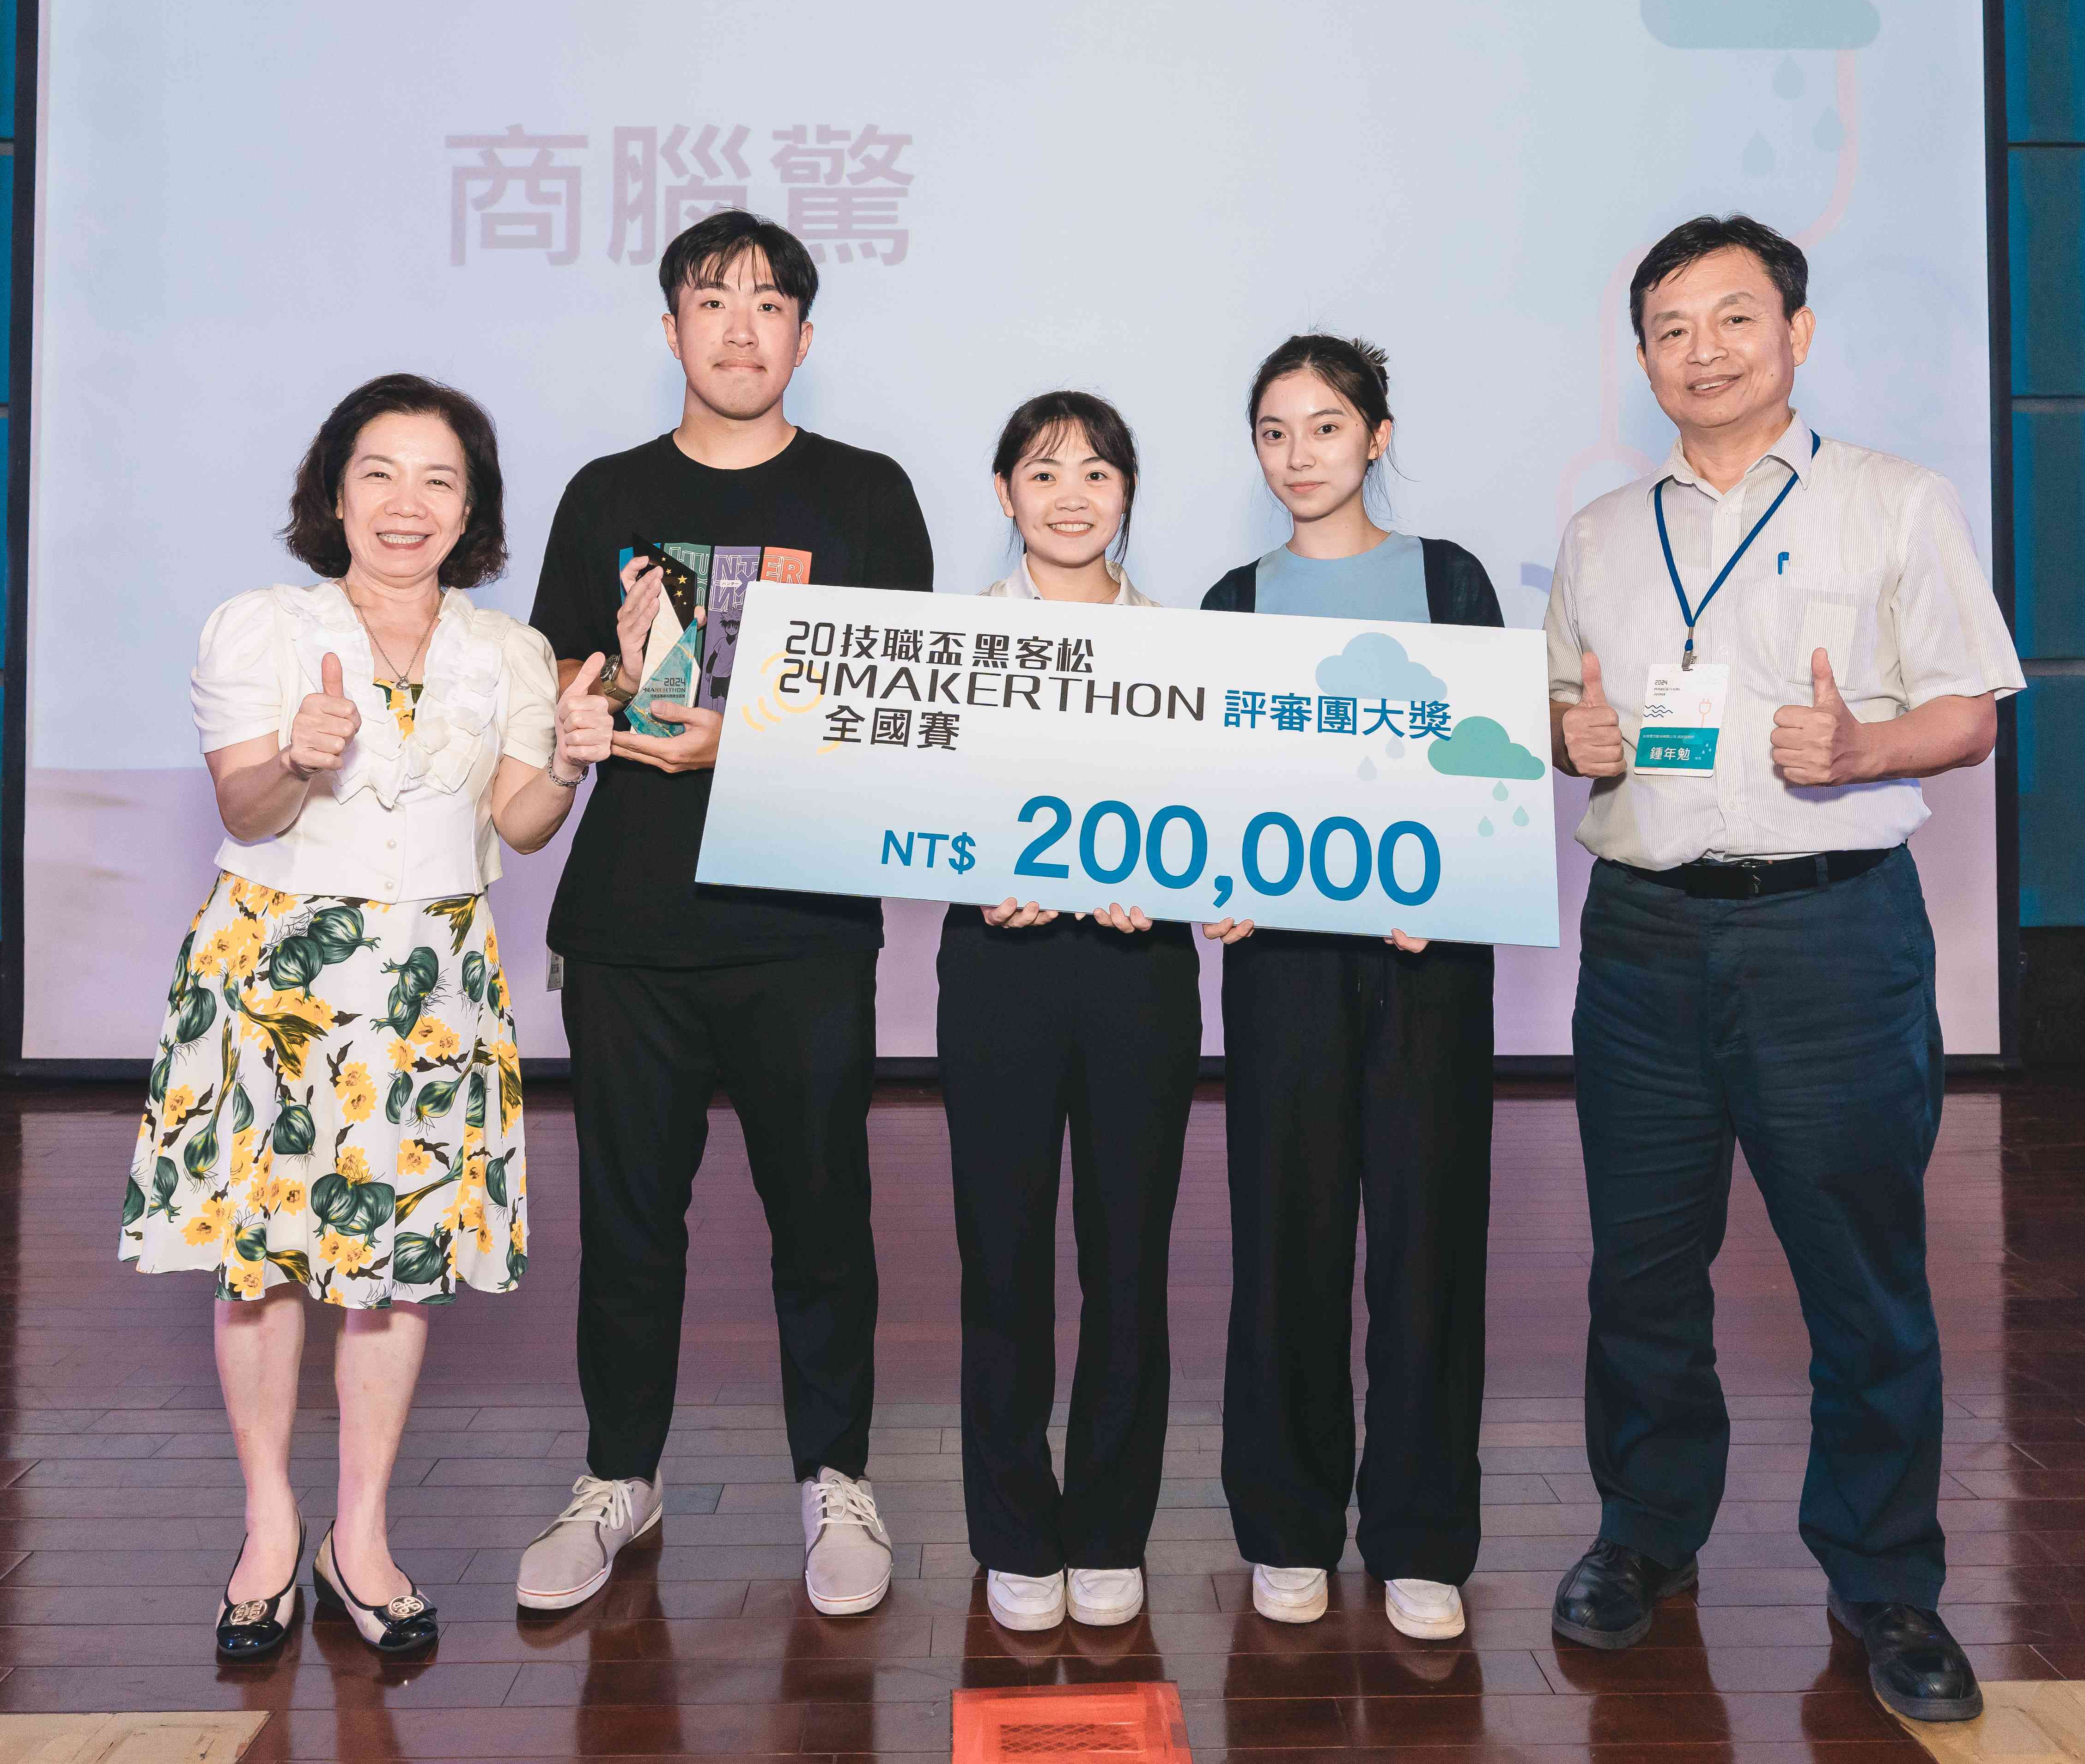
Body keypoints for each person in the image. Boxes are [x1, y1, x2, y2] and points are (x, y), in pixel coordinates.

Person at [1541, 214, 2021, 1723]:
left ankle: (1887, 1582)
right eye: (1672, 329)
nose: (1704, 351)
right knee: (1641, 1266)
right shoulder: (1603, 533)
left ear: (1797, 334)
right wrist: (1575, 738)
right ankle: (1644, 1536)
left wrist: (1867, 745)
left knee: (1863, 1274)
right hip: (1645, 938)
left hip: (1831, 932)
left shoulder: (1896, 502)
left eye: (1734, 320)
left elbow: (1973, 710)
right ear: (1642, 359)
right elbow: (1568, 712)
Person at [117, 373, 615, 1662]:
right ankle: (268, 1534)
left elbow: (517, 824)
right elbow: (247, 813)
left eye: (439, 479)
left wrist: (567, 754)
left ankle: (364, 1537)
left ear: (473, 509)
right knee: (266, 1263)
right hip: (278, 977)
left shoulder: (505, 651)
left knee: (396, 1277)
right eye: (380, 473)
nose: (408, 504)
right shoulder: (264, 627)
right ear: (333, 492)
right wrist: (298, 751)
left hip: (430, 986)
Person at [516, 211, 933, 1618]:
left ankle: (836, 1478)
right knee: (631, 1219)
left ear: (806, 337)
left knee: (821, 1213)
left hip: (804, 924)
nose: (741, 327)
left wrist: (739, 745)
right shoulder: (601, 495)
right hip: (633, 928)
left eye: (770, 304)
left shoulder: (869, 497)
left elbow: (905, 718)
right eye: (713, 301)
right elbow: (558, 684)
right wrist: (581, 706)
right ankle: (618, 1477)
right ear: (671, 330)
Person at [1199, 334, 1503, 1643]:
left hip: (1425, 959)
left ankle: (1422, 1532)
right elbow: (1202, 783)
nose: (1299, 454)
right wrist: (1209, 872)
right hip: (1282, 962)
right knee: (1287, 1238)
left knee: (1430, 1235)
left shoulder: (1450, 580)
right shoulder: (1230, 599)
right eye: (1275, 431)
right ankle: (1287, 1526)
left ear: (1377, 436)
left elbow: (1490, 762)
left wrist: (1455, 885)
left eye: (1326, 427)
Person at [941, 392, 1201, 1633]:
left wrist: (1175, 877)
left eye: (1099, 472)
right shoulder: (950, 643)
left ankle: (1108, 1526)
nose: (1072, 495)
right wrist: (970, 867)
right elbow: (898, 809)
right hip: (997, 967)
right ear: (1005, 496)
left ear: (1128, 496)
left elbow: (1223, 830)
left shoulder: (1187, 647)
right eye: (1044, 473)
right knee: (1001, 1253)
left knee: (1129, 1255)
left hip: (1138, 971)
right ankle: (1011, 1531)